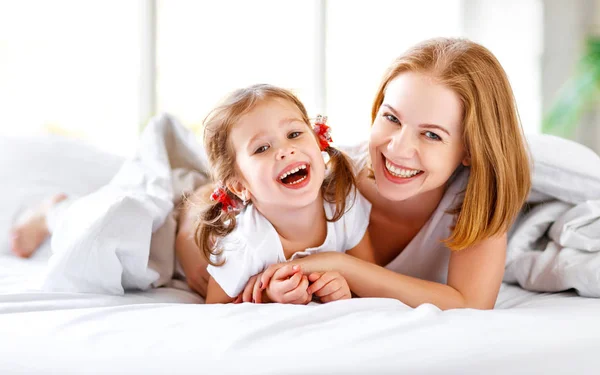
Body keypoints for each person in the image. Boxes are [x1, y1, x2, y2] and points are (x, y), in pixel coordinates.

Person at [181, 37, 531, 310]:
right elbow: (211, 194)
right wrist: (189, 245)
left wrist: (341, 266)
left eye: (432, 134)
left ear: (470, 148)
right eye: (391, 118)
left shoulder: (476, 198)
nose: (397, 148)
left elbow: (470, 303)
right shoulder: (330, 176)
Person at [191, 84, 375, 304]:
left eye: (294, 134)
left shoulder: (343, 201)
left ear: (318, 141)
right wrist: (268, 296)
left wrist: (343, 288)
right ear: (240, 187)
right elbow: (215, 308)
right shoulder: (244, 245)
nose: (285, 150)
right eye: (262, 148)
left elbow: (369, 278)